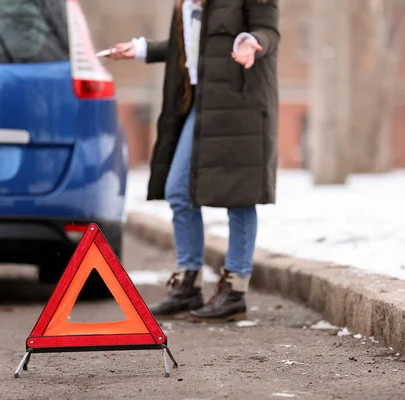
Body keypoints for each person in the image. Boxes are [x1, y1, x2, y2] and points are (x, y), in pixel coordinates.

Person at [111, 0, 279, 323]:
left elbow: (268, 31)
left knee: (240, 197)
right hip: (199, 104)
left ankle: (235, 290)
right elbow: (187, 48)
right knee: (178, 189)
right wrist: (143, 49)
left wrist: (252, 42)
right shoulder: (184, 4)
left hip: (241, 104)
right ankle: (189, 282)